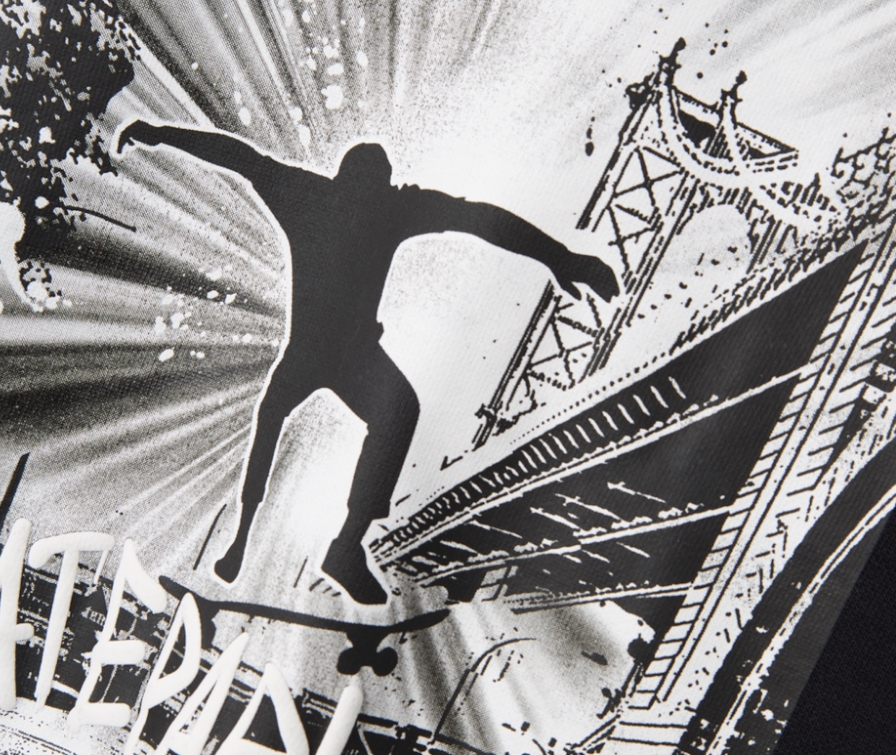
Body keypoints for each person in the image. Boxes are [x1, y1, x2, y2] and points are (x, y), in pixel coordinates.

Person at [117, 121, 619, 604]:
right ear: (368, 183)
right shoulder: (378, 205)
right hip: (339, 355)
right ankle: (280, 540)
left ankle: (307, 544)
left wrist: (159, 135)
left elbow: (240, 158)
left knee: (364, 411)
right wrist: (560, 257)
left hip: (328, 353)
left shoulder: (319, 196)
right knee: (375, 411)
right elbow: (480, 218)